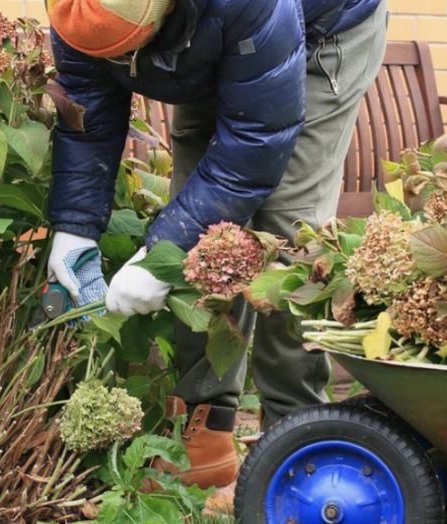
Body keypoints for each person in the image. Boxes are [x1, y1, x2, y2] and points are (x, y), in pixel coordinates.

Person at [45, 0, 389, 489]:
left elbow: (255, 144)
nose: (121, 68)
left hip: (316, 32)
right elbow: (88, 109)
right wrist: (74, 227)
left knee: (285, 235)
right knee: (197, 227)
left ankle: (298, 439)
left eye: (127, 53)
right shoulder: (73, 13)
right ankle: (206, 430)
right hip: (206, 40)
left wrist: (159, 258)